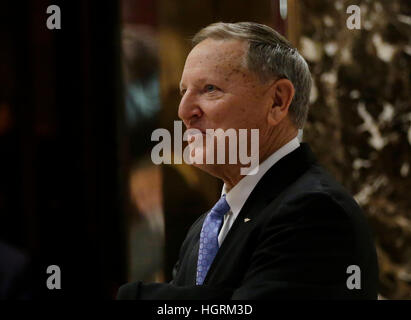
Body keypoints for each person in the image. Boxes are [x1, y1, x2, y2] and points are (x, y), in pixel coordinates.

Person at [117, 22, 378, 300]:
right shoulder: (206, 227)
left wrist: (133, 297)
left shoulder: (316, 210)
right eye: (184, 92)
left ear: (277, 101)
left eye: (209, 89)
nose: (184, 111)